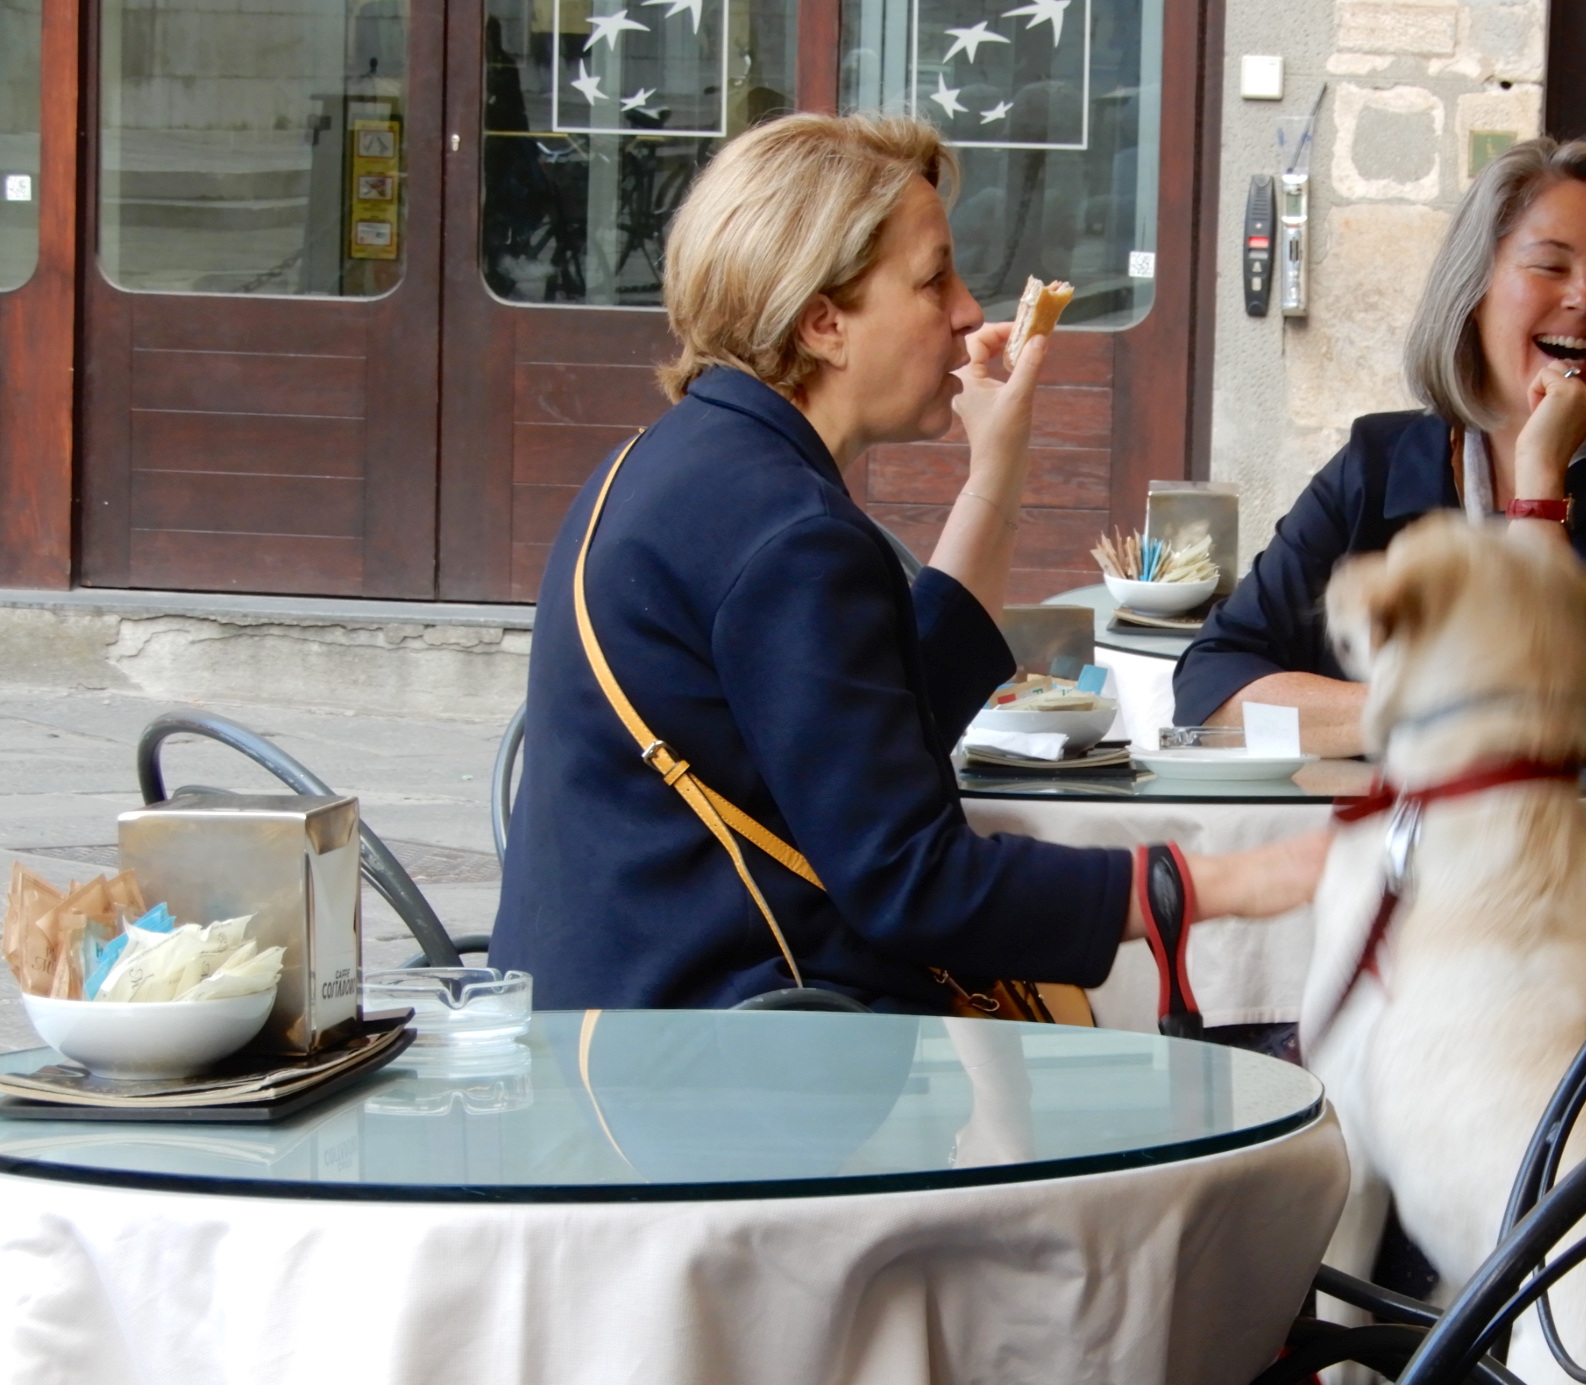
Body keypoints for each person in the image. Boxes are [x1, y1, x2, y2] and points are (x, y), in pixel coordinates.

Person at [491, 115, 1323, 1011]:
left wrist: (996, 467)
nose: (969, 310)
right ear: (823, 323)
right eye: (934, 280)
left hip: (597, 1035)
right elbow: (913, 882)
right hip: (723, 1076)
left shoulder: (668, 465)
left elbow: (888, 721)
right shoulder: (791, 536)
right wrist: (1214, 885)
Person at [1174, 136, 1586, 949]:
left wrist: (1541, 481)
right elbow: (1213, 691)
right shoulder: (1378, 463)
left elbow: (1565, 724)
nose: (1585, 298)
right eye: (1550, 265)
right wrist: (1435, 712)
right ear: (1474, 290)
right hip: (1415, 907)